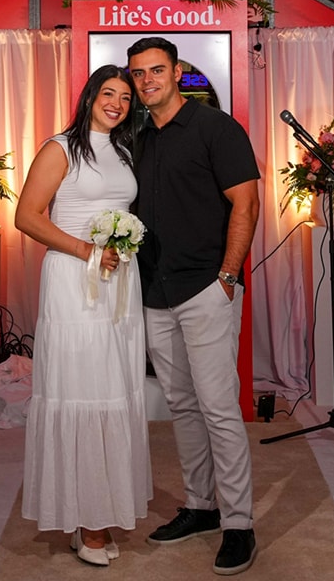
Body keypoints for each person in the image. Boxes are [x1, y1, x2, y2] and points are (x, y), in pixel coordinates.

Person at [126, 36, 262, 576]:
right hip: (155, 293)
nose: (147, 81)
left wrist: (228, 276)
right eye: (138, 73)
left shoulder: (216, 129)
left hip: (206, 287)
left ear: (177, 71)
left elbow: (246, 204)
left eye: (156, 70)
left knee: (219, 409)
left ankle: (239, 523)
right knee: (182, 406)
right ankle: (202, 506)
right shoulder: (137, 138)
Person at [16, 65, 152, 567]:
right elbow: (26, 216)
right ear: (90, 96)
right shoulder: (60, 149)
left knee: (115, 389)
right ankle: (86, 520)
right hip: (75, 282)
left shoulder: (123, 150)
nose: (116, 103)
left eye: (125, 97)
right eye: (108, 93)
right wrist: (86, 250)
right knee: (84, 390)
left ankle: (99, 511)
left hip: (120, 282)